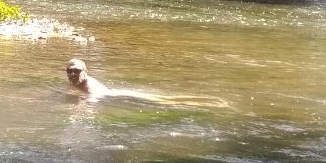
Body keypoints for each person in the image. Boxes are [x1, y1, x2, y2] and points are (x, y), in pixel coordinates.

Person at [65, 57, 231, 109]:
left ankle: (215, 103)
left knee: (166, 101)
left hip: (118, 95)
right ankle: (214, 102)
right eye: (69, 71)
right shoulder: (76, 81)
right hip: (117, 93)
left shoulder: (90, 85)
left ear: (86, 72)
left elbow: (91, 100)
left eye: (77, 71)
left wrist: (77, 109)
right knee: (166, 99)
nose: (72, 73)